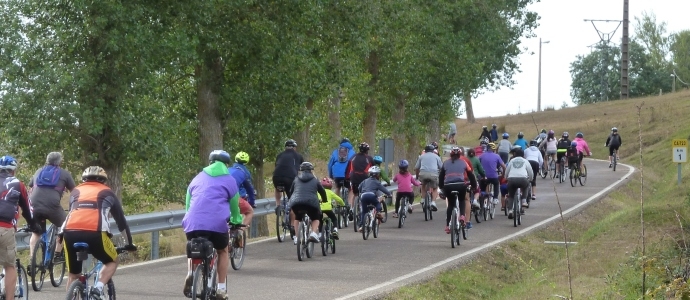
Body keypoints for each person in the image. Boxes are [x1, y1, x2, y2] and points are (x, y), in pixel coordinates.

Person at [63, 166, 136, 299]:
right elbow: (121, 222)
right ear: (104, 180)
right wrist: (129, 243)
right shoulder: (108, 192)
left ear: (84, 179)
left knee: (73, 274)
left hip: (69, 232)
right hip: (95, 233)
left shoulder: (75, 191)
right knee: (112, 261)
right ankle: (98, 288)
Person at [182, 150, 242, 299]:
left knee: (194, 245)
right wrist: (236, 220)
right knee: (222, 251)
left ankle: (191, 273)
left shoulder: (197, 178)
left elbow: (188, 205)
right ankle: (221, 288)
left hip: (193, 222)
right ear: (226, 164)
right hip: (216, 224)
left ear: (210, 162)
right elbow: (235, 207)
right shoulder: (229, 180)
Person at [28, 152, 76, 266]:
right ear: (60, 162)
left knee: (36, 233)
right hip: (52, 206)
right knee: (66, 226)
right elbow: (75, 191)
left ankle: (32, 261)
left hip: (34, 204)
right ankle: (58, 254)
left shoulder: (39, 171)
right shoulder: (64, 173)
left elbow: (31, 184)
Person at [0, 156, 37, 299]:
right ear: (13, 170)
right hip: (4, 227)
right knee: (9, 266)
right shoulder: (17, 184)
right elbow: (28, 209)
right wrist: (34, 225)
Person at [287, 162, 328, 244]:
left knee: (297, 218)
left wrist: (292, 200)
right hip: (311, 203)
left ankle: (297, 237)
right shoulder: (314, 179)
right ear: (311, 170)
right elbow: (322, 191)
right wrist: (324, 199)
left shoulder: (296, 179)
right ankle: (313, 233)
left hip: (296, 203)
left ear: (300, 170)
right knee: (316, 217)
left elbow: (291, 191)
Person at [439, 147, 477, 234]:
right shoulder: (463, 162)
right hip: (460, 185)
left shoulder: (445, 163)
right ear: (460, 155)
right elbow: (471, 175)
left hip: (448, 186)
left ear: (451, 154)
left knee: (451, 205)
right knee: (462, 200)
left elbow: (441, 176)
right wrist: (474, 185)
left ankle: (447, 226)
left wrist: (441, 187)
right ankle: (462, 216)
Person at [357, 166, 392, 232]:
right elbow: (383, 189)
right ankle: (378, 212)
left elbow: (359, 187)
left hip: (363, 196)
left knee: (364, 211)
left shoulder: (365, 181)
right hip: (372, 195)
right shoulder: (377, 182)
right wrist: (389, 194)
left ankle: (361, 225)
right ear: (378, 175)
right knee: (377, 203)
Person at [345, 142, 374, 220]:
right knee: (366, 193)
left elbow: (348, 169)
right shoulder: (369, 158)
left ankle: (351, 209)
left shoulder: (353, 157)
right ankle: (366, 208)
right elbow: (373, 170)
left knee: (354, 193)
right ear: (367, 150)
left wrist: (347, 178)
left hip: (354, 177)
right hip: (364, 178)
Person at [272, 139, 304, 210]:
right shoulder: (298, 156)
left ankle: (278, 205)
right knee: (292, 202)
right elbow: (301, 171)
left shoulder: (279, 155)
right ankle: (292, 220)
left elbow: (277, 167)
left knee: (277, 188)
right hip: (290, 178)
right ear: (294, 147)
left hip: (276, 177)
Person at [504, 148, 533, 219]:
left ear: (515, 154)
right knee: (526, 185)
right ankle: (523, 201)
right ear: (523, 155)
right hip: (523, 179)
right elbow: (530, 171)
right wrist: (530, 179)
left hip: (511, 179)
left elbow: (507, 171)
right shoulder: (525, 161)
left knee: (511, 195)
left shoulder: (511, 161)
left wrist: (506, 177)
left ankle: (510, 210)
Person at [229, 151, 255, 228]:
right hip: (235, 197)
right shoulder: (245, 173)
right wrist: (252, 202)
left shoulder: (228, 169)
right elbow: (249, 189)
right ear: (246, 162)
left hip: (221, 197)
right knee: (249, 211)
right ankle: (241, 232)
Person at [414, 145, 443, 211]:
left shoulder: (421, 156)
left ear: (425, 150)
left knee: (423, 185)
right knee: (435, 187)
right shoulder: (436, 157)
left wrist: (417, 176)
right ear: (433, 150)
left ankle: (423, 199)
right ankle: (433, 202)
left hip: (423, 174)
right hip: (433, 175)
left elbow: (416, 168)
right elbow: (441, 167)